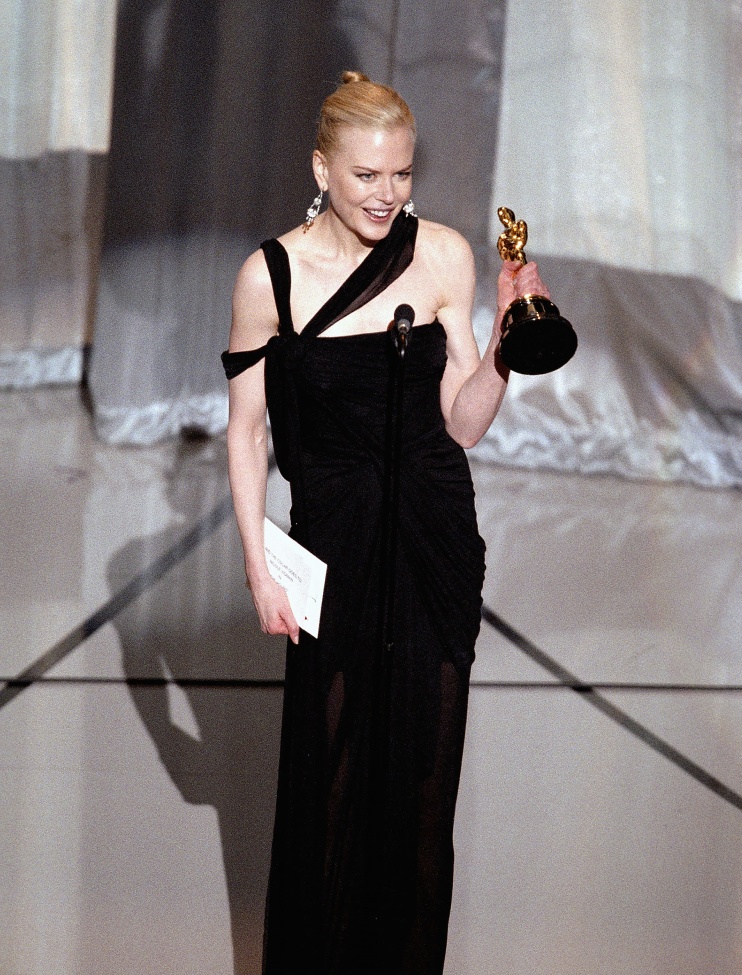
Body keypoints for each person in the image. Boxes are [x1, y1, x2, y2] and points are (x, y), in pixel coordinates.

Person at [223, 70, 549, 975]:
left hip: (435, 543)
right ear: (321, 168)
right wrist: (258, 567)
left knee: (420, 790)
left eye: (401, 175)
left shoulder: (444, 255)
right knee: (328, 775)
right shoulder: (271, 275)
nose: (386, 195)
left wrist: (503, 352)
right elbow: (247, 431)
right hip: (334, 547)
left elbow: (464, 423)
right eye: (367, 176)